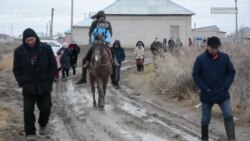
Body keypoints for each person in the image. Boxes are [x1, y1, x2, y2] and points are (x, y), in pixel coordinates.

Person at [13, 28, 57, 141]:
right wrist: (22, 81)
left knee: (46, 108)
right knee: (28, 111)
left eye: (32, 39)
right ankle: (30, 132)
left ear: (36, 38)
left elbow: (53, 64)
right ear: (24, 40)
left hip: (44, 85)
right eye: (27, 40)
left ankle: (43, 123)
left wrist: (49, 79)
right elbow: (16, 69)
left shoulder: (46, 48)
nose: (30, 42)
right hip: (29, 86)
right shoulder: (19, 51)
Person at [192, 36, 236, 141]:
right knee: (205, 119)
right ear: (207, 47)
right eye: (212, 48)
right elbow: (195, 75)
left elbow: (231, 72)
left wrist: (225, 86)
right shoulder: (200, 59)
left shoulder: (225, 58)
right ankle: (205, 139)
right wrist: (204, 88)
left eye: (216, 47)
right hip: (207, 94)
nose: (215, 50)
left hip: (222, 93)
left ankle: (232, 138)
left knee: (228, 115)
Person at [76, 10, 113, 84]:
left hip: (105, 44)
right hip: (96, 44)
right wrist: (94, 40)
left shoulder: (108, 23)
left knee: (113, 57)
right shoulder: (94, 23)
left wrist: (105, 41)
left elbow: (110, 33)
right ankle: (84, 79)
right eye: (101, 17)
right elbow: (90, 33)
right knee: (84, 60)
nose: (102, 18)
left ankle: (114, 80)